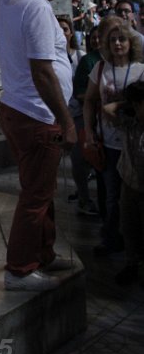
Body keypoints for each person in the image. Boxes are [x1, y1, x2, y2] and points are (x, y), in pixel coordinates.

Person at [0, 0, 76, 292]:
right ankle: (20, 270)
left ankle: (44, 253)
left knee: (41, 189)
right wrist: (66, 121)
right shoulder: (37, 9)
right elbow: (42, 72)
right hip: (37, 116)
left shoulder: (8, 0)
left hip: (16, 109)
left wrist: (10, 36)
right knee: (35, 196)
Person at [83, 21, 144, 255]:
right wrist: (89, 131)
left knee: (135, 198)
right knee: (111, 197)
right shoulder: (100, 68)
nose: (118, 43)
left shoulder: (140, 69)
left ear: (131, 42)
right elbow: (89, 100)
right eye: (112, 40)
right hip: (108, 142)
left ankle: (135, 249)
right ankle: (111, 240)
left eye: (122, 39)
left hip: (134, 144)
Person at [102, 80, 144, 285]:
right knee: (129, 227)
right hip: (129, 184)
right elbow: (107, 109)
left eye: (141, 104)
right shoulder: (130, 124)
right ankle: (131, 264)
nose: (138, 109)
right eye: (136, 104)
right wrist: (126, 104)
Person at [69, 24, 101, 215]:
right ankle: (83, 196)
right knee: (80, 158)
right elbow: (81, 91)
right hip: (80, 114)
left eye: (100, 37)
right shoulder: (88, 60)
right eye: (93, 38)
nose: (97, 41)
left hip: (104, 118)